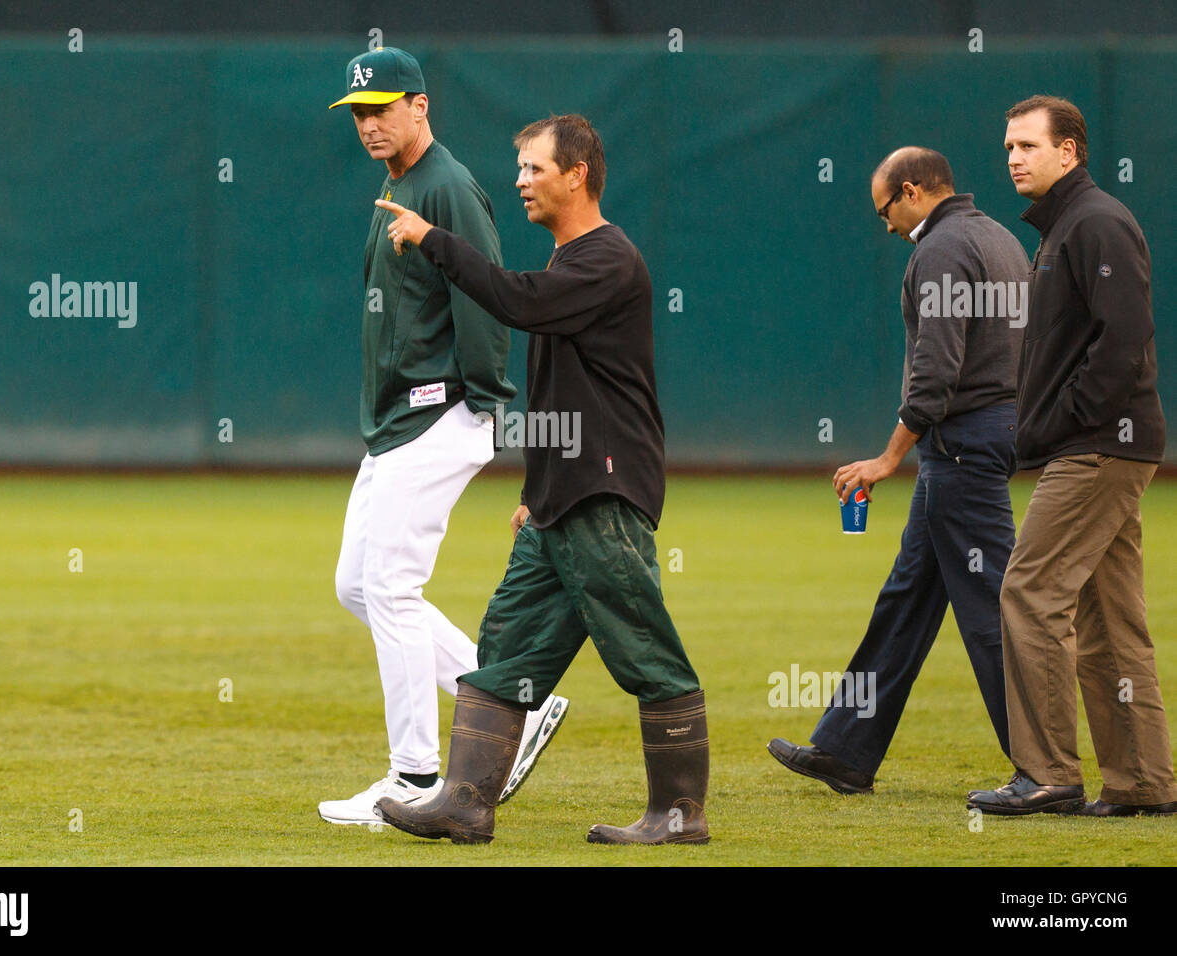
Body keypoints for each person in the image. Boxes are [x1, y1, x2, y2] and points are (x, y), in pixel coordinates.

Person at [371, 113, 708, 845]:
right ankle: (464, 800)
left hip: (604, 496)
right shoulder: (570, 262)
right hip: (560, 500)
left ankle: (678, 816)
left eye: (534, 168)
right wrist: (533, 493)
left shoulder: (607, 259)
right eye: (520, 169)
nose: (520, 181)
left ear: (578, 174)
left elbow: (516, 303)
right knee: (508, 645)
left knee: (644, 649)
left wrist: (435, 240)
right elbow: (560, 395)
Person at [317, 47, 569, 828]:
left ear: (421, 106)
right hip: (399, 420)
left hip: (441, 413)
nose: (369, 122)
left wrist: (483, 405)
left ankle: (417, 774)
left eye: (384, 107)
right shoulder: (401, 182)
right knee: (357, 586)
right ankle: (515, 701)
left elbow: (487, 300)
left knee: (391, 588)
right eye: (359, 112)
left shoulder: (449, 187)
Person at [768, 148, 1029, 794]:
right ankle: (847, 750)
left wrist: (887, 458)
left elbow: (935, 377)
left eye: (885, 210)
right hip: (984, 436)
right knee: (906, 600)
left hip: (961, 445)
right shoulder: (1000, 238)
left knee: (993, 611)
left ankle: (1042, 766)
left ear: (911, 191)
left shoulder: (939, 252)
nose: (886, 225)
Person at [968, 96, 1176, 817]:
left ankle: (1047, 772)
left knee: (1028, 591)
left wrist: (1068, 421)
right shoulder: (1068, 227)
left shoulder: (1095, 222)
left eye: (1028, 144)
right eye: (1008, 147)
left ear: (1070, 152)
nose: (1015, 157)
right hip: (1100, 443)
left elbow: (1123, 340)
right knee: (1110, 618)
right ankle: (1142, 782)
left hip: (1099, 446)